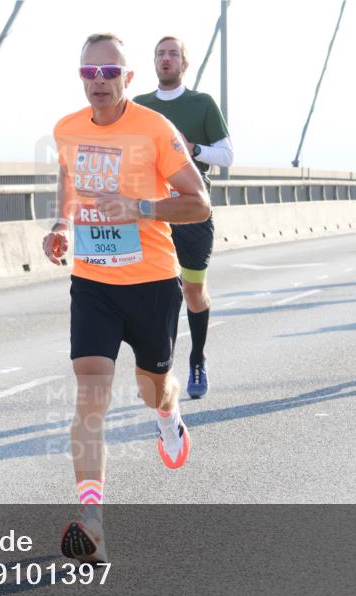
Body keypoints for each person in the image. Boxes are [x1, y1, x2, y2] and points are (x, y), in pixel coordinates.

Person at [43, 33, 211, 563]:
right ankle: (92, 523)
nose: (99, 82)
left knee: (151, 390)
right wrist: (61, 223)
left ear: (128, 78)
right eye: (89, 73)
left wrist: (139, 207)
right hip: (93, 282)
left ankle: (169, 414)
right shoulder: (67, 129)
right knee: (90, 396)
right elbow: (69, 179)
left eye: (110, 72)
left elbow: (199, 204)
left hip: (151, 283)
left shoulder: (155, 128)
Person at [133, 36, 233, 399]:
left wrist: (194, 149)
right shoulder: (139, 106)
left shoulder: (201, 103)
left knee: (192, 291)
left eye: (173, 54)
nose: (166, 59)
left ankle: (197, 358)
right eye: (160, 53)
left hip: (192, 212)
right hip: (152, 213)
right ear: (154, 61)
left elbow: (226, 155)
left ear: (184, 64)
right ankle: (159, 370)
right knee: (156, 294)